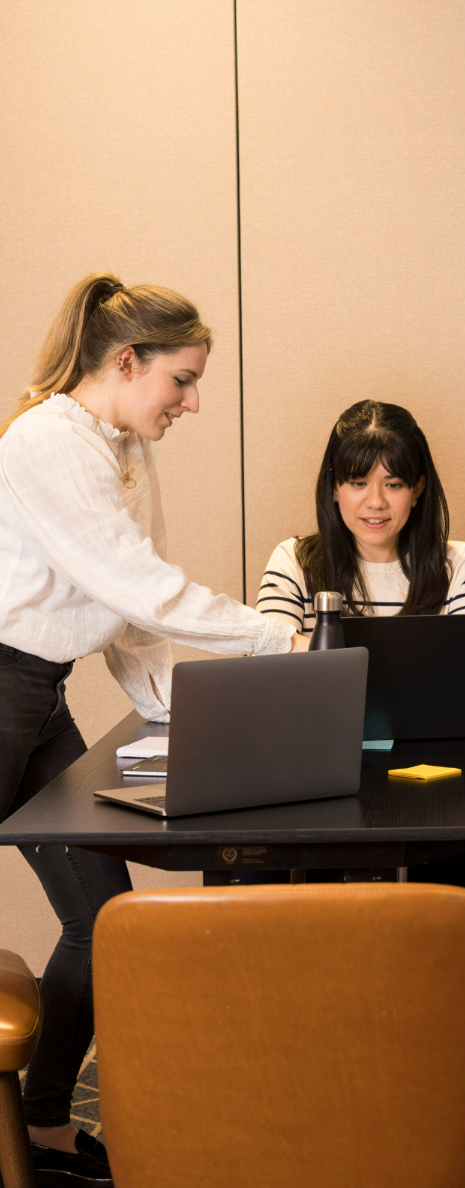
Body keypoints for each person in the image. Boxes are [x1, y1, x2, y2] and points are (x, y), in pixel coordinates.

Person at [0, 273, 304, 1184]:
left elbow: (131, 620)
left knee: (105, 921)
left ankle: (45, 1125)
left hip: (39, 696)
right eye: (182, 379)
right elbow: (144, 589)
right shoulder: (47, 443)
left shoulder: (126, 445)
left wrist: (191, 724)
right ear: (127, 363)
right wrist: (274, 638)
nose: (194, 401)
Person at [257, 400, 465, 897]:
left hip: (436, 766)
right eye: (357, 482)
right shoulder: (296, 560)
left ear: (418, 489)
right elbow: (267, 669)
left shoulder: (460, 563)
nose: (375, 503)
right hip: (322, 765)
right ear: (333, 487)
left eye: (393, 484)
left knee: (457, 903)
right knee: (334, 915)